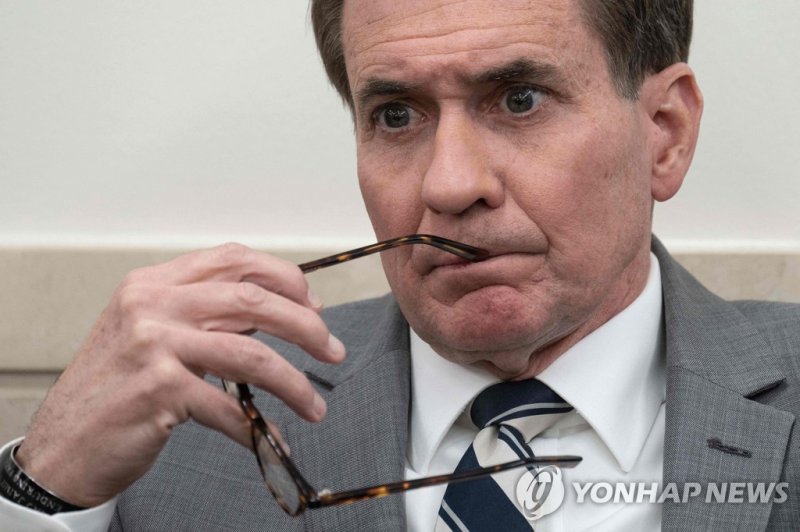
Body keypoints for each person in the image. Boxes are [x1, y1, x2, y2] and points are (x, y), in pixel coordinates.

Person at [1, 0, 798, 530]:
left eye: (519, 99)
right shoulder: (194, 430)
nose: (449, 185)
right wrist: (44, 487)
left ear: (664, 132)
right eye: (396, 115)